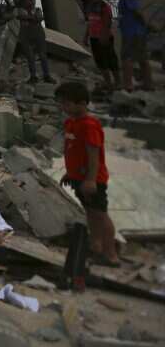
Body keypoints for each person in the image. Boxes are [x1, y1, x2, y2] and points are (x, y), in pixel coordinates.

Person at [55, 82, 119, 266]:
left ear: (82, 103)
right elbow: (73, 151)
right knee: (91, 213)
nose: (63, 107)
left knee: (100, 214)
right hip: (78, 178)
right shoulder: (70, 123)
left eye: (66, 104)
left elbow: (93, 155)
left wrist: (90, 179)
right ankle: (96, 248)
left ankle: (111, 255)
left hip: (92, 180)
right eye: (61, 103)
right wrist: (70, 173)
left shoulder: (89, 126)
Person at [108, 0, 153, 92]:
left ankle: (128, 85)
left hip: (131, 34)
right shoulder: (123, 1)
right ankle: (148, 84)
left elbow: (138, 13)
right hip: (136, 33)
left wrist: (146, 25)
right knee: (142, 58)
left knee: (126, 58)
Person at [81, 0, 118, 92]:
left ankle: (118, 82)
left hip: (104, 37)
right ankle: (108, 83)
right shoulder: (89, 6)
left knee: (111, 60)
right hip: (94, 38)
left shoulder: (103, 5)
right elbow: (90, 22)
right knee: (100, 62)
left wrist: (105, 36)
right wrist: (86, 36)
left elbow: (108, 22)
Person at [16, 0, 54, 83]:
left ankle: (46, 76)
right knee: (30, 57)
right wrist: (33, 18)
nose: (31, 2)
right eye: (29, 0)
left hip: (38, 34)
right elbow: (21, 17)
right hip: (26, 35)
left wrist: (30, 18)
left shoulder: (37, 9)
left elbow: (39, 18)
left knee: (43, 56)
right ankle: (33, 77)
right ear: (23, 1)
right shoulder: (20, 10)